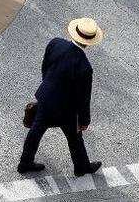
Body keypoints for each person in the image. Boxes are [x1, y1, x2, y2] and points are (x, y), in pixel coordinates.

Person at [18, 18, 103, 177]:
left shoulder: (55, 43)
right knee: (75, 138)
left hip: (46, 98)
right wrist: (84, 121)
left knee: (36, 130)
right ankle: (81, 167)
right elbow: (84, 98)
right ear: (89, 42)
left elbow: (45, 67)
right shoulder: (84, 67)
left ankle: (25, 163)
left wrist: (49, 88)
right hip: (66, 109)